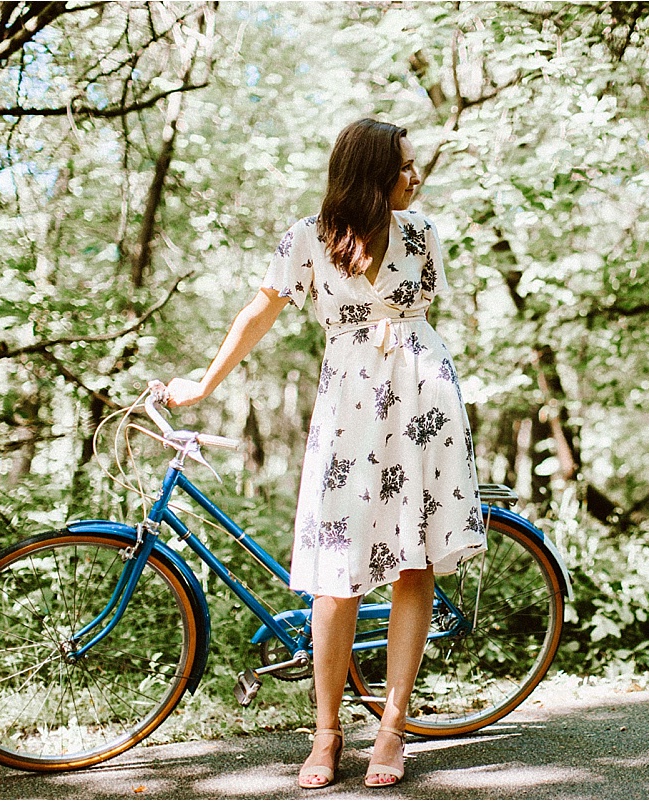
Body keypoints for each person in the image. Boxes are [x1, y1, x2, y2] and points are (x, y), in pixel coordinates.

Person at [165, 118, 486, 788]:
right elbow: (258, 312)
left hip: (421, 399)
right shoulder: (306, 238)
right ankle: (327, 731)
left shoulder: (422, 233)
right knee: (334, 575)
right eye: (403, 165)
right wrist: (203, 383)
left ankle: (392, 728)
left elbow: (423, 318)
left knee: (413, 562)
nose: (415, 175)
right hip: (347, 410)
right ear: (370, 173)